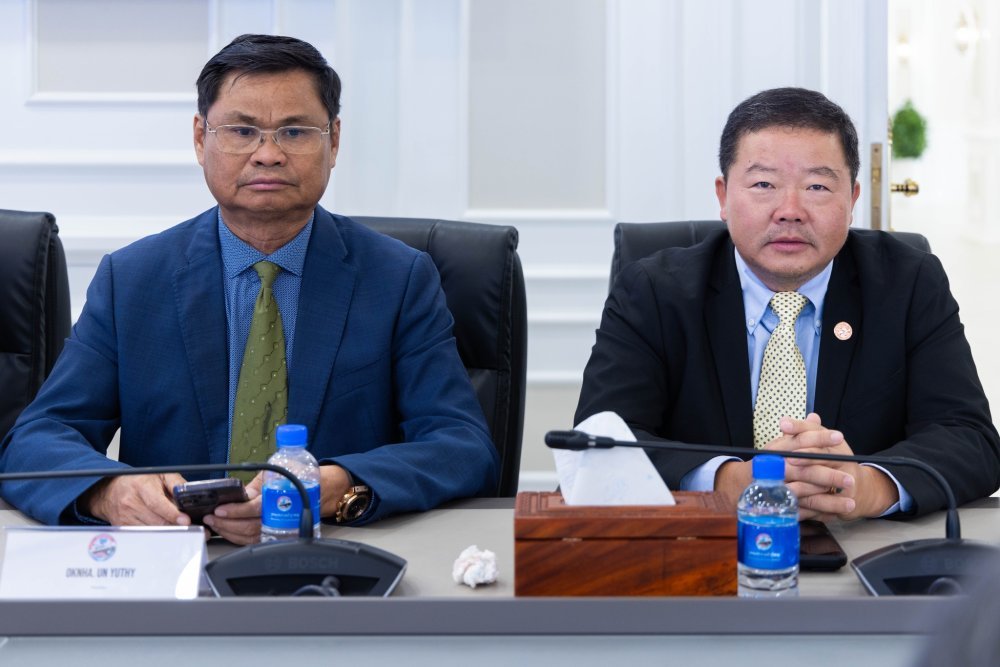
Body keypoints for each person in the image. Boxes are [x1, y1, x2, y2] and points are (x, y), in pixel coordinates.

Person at [0, 34, 498, 544]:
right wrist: (107, 491)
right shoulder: (132, 280)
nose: (268, 154)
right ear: (201, 138)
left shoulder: (398, 278)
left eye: (295, 132)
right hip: (178, 558)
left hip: (332, 554)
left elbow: (463, 446)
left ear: (334, 141)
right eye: (242, 131)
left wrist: (337, 486)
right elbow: (36, 440)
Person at [576, 87, 1000, 520]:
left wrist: (866, 487)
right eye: (764, 184)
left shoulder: (909, 284)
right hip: (701, 544)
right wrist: (731, 482)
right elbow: (598, 444)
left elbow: (969, 438)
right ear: (723, 196)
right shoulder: (652, 291)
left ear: (852, 200)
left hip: (862, 542)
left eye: (817, 186)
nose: (790, 210)